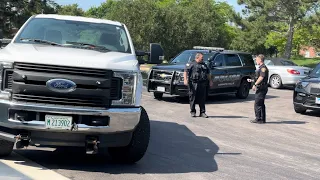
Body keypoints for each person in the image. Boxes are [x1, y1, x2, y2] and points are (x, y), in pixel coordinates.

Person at [184, 52, 213, 118]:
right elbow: (185, 71)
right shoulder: (191, 64)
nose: (203, 59)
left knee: (202, 99)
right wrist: (185, 80)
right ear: (197, 57)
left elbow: (208, 73)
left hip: (202, 84)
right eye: (201, 57)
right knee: (192, 98)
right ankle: (193, 112)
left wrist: (210, 81)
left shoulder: (204, 65)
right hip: (193, 83)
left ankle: (202, 112)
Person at [249, 54, 269, 124]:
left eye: (257, 59)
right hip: (262, 87)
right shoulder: (261, 67)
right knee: (261, 104)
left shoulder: (263, 68)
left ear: (260, 60)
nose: (256, 61)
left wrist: (255, 84)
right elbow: (259, 78)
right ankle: (262, 119)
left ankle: (259, 119)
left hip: (261, 88)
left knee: (257, 104)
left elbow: (261, 77)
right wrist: (252, 81)